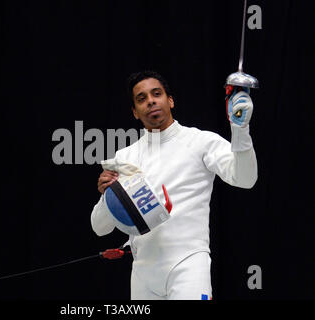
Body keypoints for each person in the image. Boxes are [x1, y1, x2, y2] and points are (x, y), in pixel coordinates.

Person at [90, 70, 257, 300]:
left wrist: (240, 131)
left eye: (156, 94)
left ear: (170, 100)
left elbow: (246, 179)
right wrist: (106, 195)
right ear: (135, 112)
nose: (150, 101)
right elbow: (100, 228)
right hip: (142, 274)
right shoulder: (124, 157)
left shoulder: (200, 142)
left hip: (188, 265)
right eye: (141, 99)